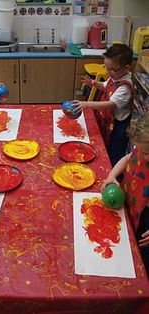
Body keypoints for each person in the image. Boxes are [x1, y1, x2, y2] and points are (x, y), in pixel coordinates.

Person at [102, 112, 149, 275]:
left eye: (146, 153)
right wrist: (112, 175)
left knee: (139, 257)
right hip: (128, 201)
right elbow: (127, 159)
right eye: (140, 150)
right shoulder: (141, 150)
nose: (141, 155)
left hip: (144, 218)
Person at [73, 43, 134, 166]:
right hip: (108, 121)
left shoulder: (125, 88)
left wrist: (87, 104)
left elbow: (109, 104)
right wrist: (93, 83)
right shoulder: (115, 77)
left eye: (112, 69)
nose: (108, 72)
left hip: (118, 126)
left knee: (114, 152)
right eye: (107, 68)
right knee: (104, 144)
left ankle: (115, 174)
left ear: (126, 68)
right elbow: (105, 86)